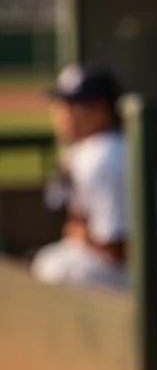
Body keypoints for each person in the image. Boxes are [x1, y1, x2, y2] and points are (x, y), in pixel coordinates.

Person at [32, 64, 128, 290]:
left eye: (73, 105)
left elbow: (118, 250)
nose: (61, 113)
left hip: (142, 275)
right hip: (112, 262)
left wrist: (79, 233)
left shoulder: (107, 154)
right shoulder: (82, 150)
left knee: (53, 269)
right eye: (60, 104)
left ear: (101, 111)